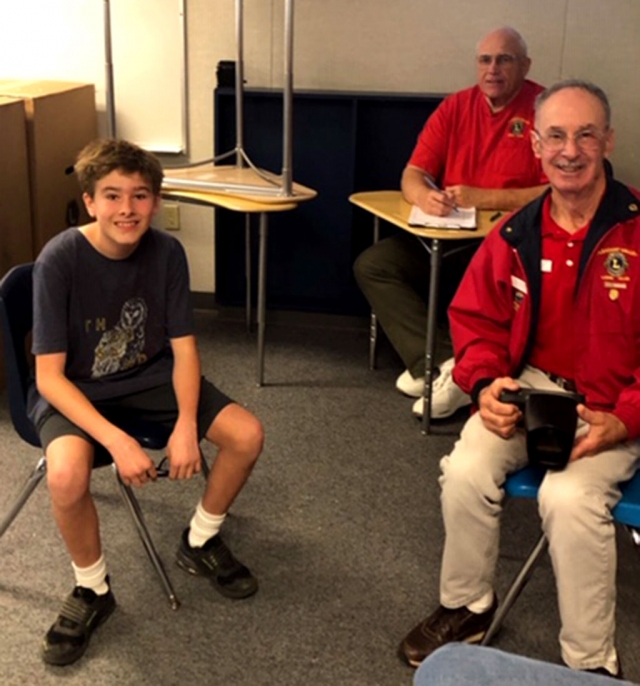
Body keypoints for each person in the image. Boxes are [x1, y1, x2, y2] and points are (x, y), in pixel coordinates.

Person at [398, 80, 640, 678]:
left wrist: (626, 418)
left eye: (586, 134)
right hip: (529, 387)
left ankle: (589, 665)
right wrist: (484, 386)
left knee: (570, 497)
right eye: (555, 135)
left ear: (608, 140)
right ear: (536, 145)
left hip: (614, 402)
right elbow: (474, 321)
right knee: (465, 469)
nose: (570, 149)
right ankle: (467, 607)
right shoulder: (516, 232)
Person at [28, 139, 264, 666]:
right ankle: (92, 590)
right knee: (66, 475)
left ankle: (199, 541)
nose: (127, 209)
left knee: (246, 435)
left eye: (139, 196)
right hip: (76, 389)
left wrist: (185, 425)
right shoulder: (60, 259)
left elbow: (184, 350)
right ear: (89, 201)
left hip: (150, 377)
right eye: (112, 196)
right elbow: (49, 377)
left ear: (155, 203)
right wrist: (116, 439)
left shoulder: (167, 253)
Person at [354, 26, 547, 419]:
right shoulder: (456, 106)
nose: (492, 69)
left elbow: (556, 191)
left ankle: (447, 370)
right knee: (374, 264)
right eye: (485, 60)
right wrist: (425, 195)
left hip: (511, 246)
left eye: (504, 60)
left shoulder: (545, 108)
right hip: (446, 238)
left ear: (525, 66)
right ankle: (441, 364)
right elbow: (412, 173)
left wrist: (485, 197)